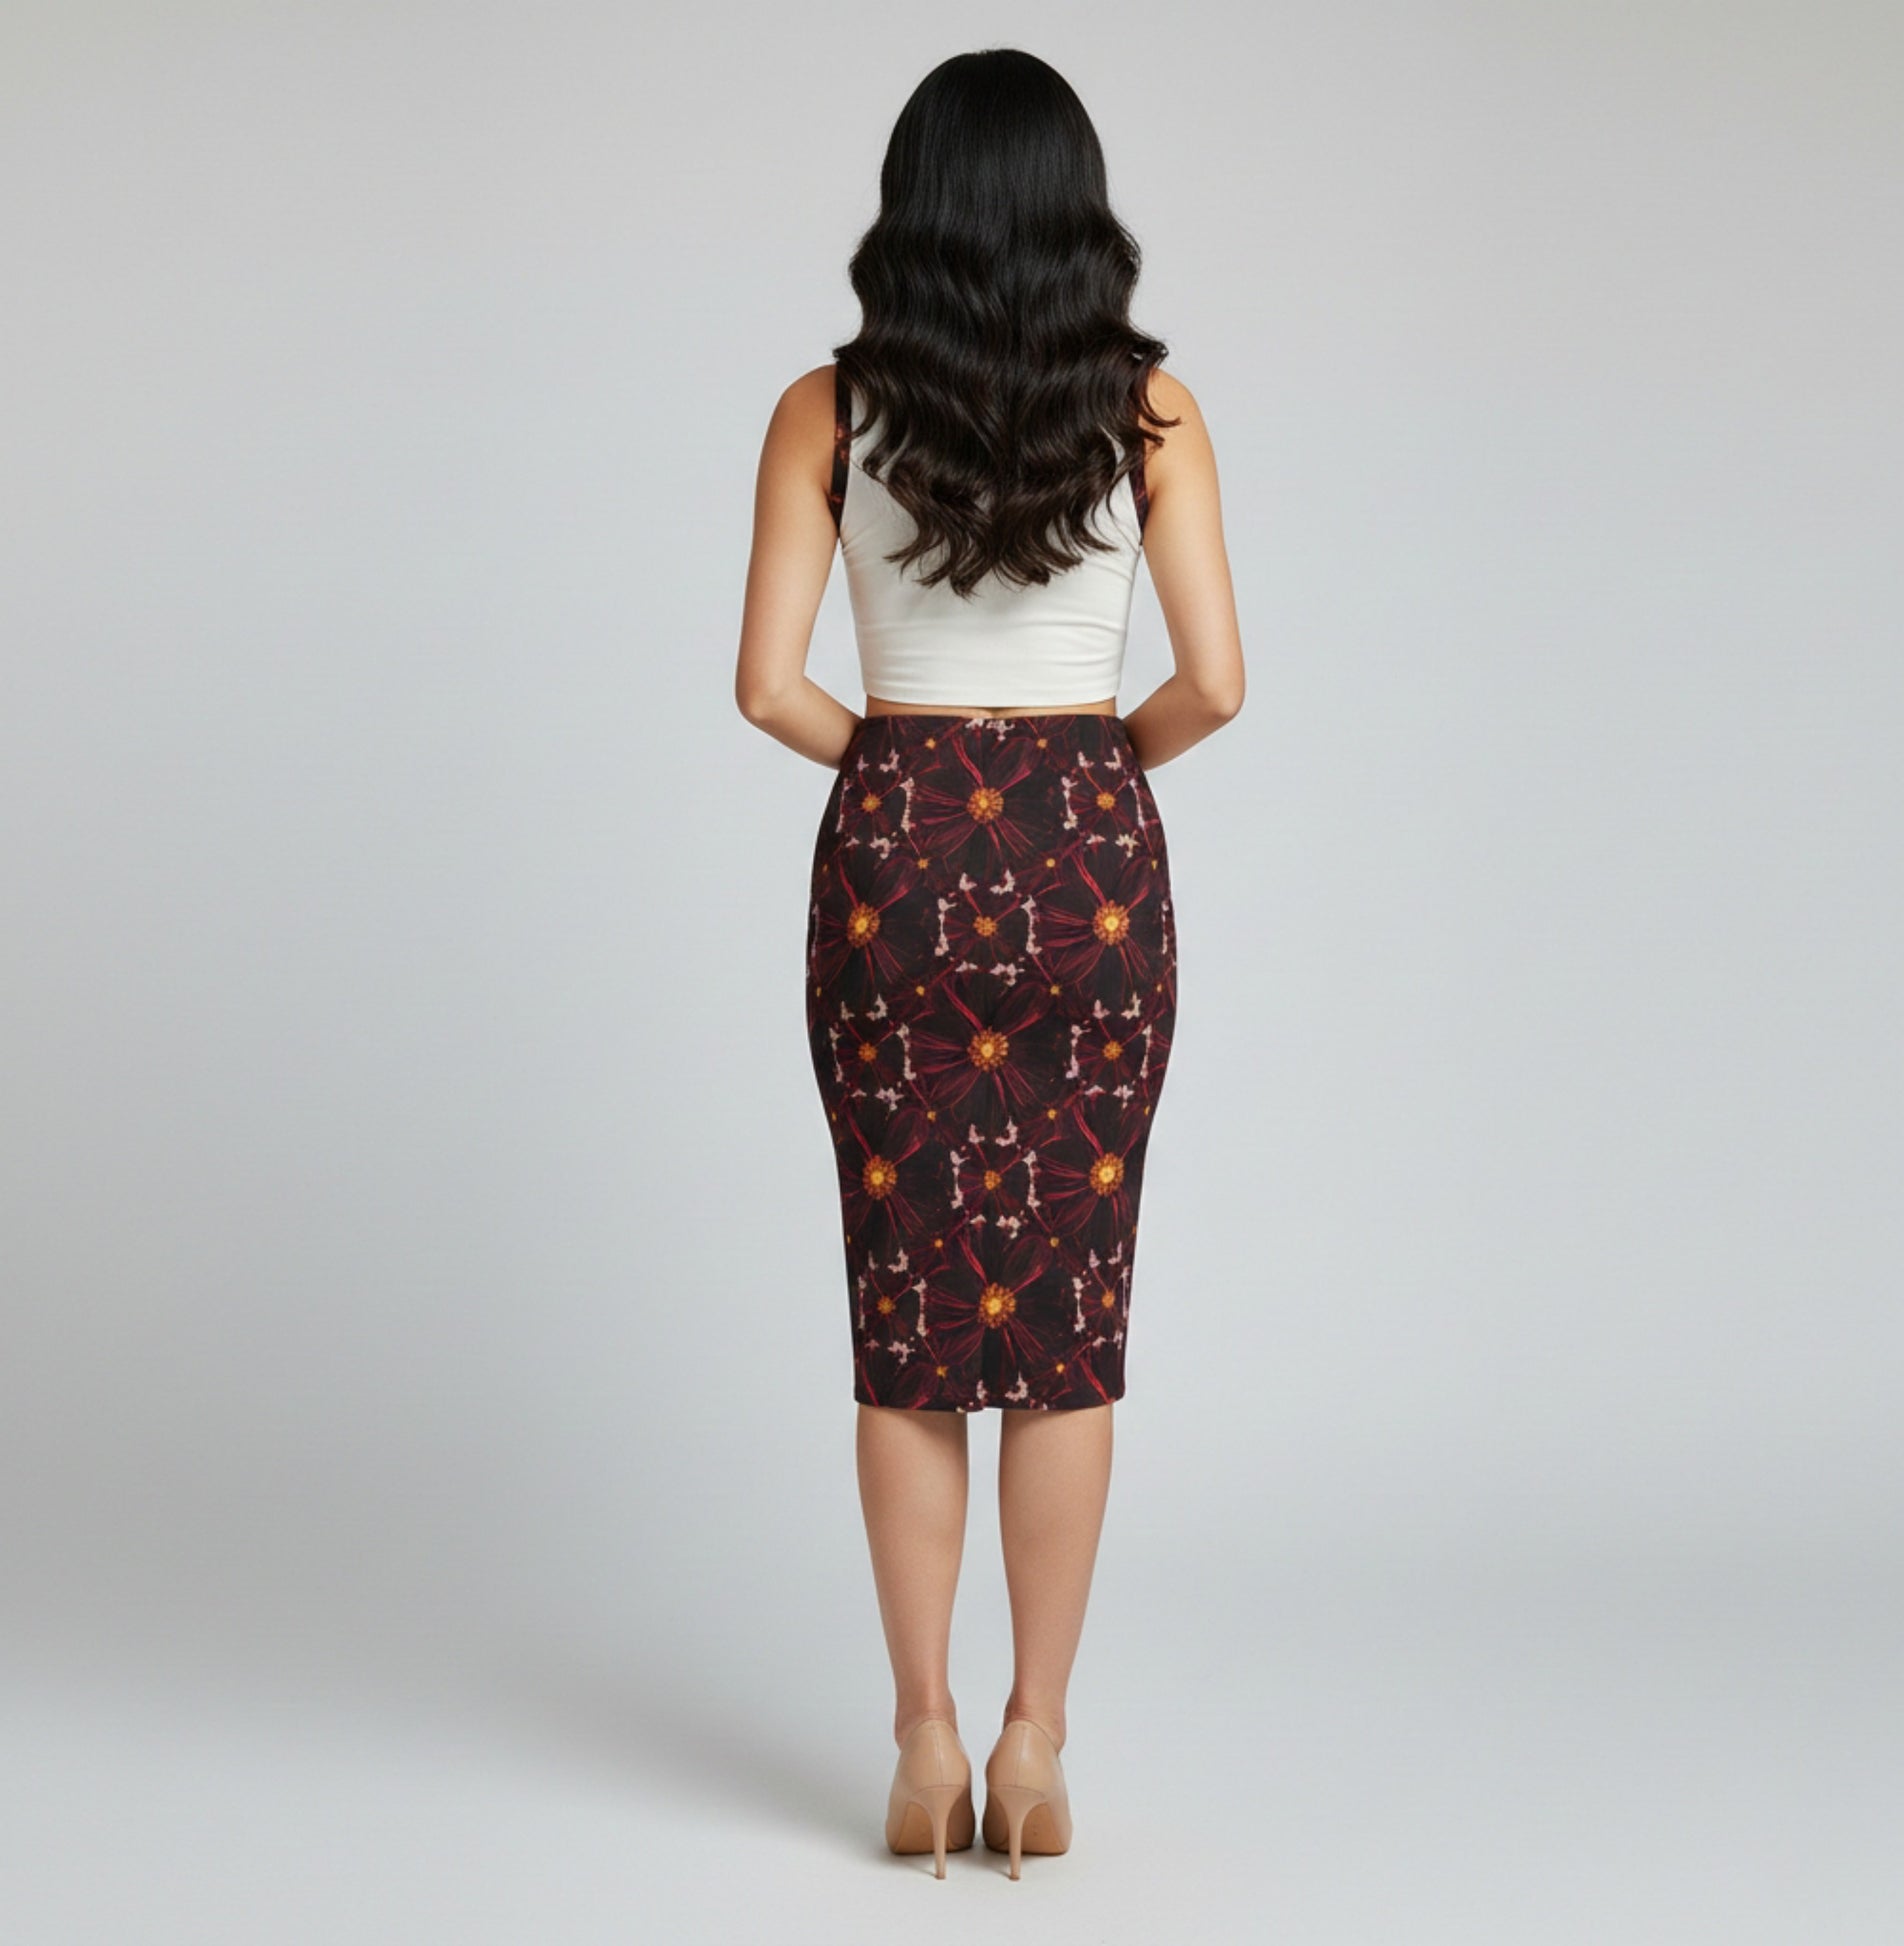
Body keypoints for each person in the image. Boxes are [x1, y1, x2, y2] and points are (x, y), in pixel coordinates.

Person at [734, 48, 1244, 1880]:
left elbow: (767, 687)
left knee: (908, 1324)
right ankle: (1034, 1742)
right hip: (1087, 860)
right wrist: (1085, 774)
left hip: (897, 867)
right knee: (1063, 1322)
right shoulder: (1152, 414)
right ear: (1076, 211)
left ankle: (922, 1739)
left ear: (915, 209)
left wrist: (902, 768)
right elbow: (1215, 683)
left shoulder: (823, 409)